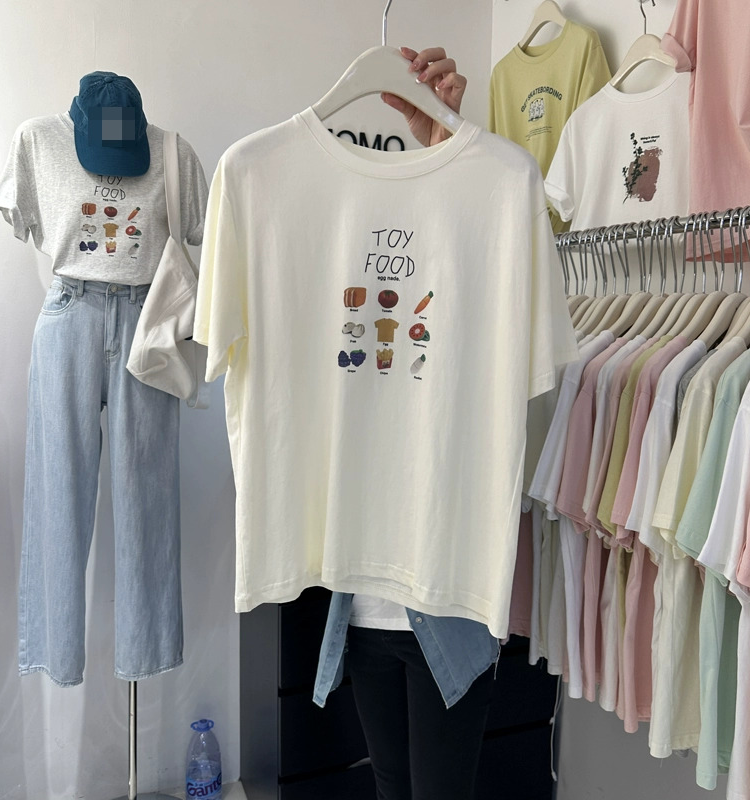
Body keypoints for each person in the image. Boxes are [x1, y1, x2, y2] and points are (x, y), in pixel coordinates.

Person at [312, 47, 499, 800]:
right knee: (392, 785)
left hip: (445, 602)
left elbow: (488, 266)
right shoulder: (324, 230)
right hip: (359, 603)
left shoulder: (473, 240)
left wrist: (451, 142)